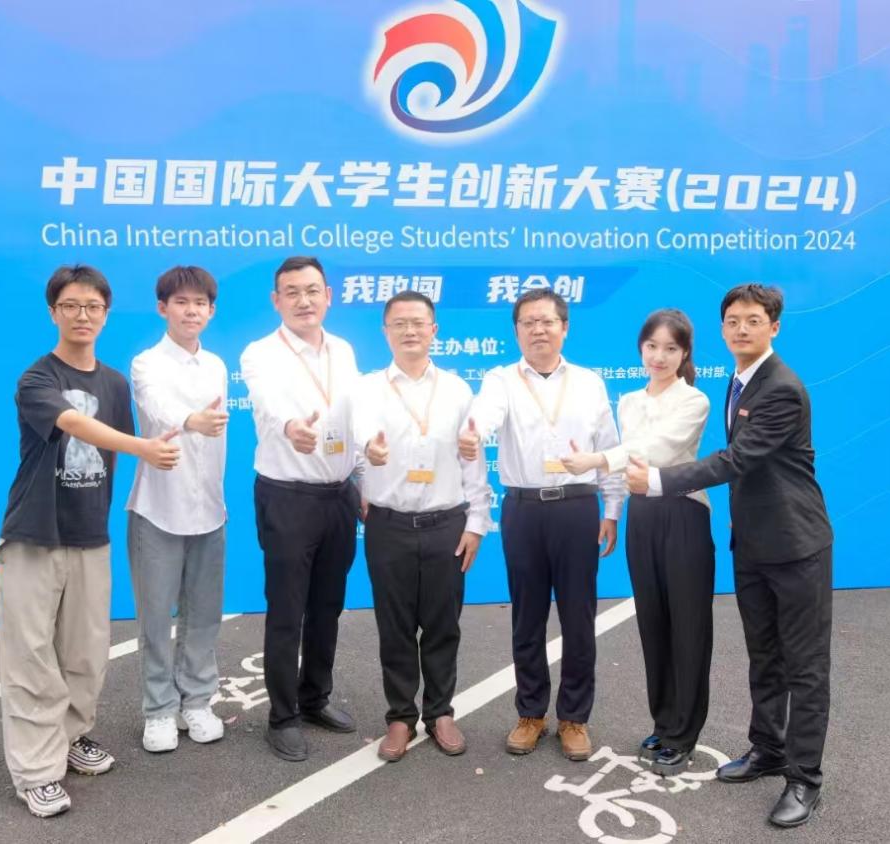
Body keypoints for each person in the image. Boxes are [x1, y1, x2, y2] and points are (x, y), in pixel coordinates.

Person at [627, 283, 833, 829]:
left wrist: (657, 481)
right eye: (733, 321)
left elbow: (736, 460)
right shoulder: (739, 380)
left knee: (805, 666)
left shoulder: (781, 387)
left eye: (753, 320)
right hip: (754, 545)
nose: (742, 329)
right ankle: (768, 749)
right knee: (764, 656)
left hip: (796, 546)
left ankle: (805, 779)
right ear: (722, 329)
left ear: (774, 327)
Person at [0, 265, 181, 818]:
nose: (82, 315)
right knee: (31, 657)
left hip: (89, 534)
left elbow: (114, 450)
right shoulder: (37, 378)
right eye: (71, 305)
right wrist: (143, 448)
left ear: (105, 313)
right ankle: (37, 772)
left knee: (85, 653)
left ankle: (71, 737)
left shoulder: (115, 384)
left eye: (93, 306)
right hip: (33, 534)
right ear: (53, 312)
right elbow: (77, 425)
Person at [459, 288, 624, 762]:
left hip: (577, 507)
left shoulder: (589, 382)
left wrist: (612, 509)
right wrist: (474, 432)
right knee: (527, 617)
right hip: (524, 509)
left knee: (579, 617)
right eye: (528, 322)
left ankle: (574, 718)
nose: (538, 330)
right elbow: (485, 415)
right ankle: (530, 713)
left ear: (564, 327)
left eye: (547, 321)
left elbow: (608, 446)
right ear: (517, 331)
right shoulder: (501, 379)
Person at [560, 309, 714, 777]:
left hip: (683, 512)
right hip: (642, 515)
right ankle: (663, 722)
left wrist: (596, 460)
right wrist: (616, 509)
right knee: (653, 623)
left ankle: (684, 734)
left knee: (688, 627)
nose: (659, 356)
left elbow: (659, 451)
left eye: (670, 348)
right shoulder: (628, 401)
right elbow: (633, 467)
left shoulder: (695, 400)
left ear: (684, 353)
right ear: (640, 349)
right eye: (652, 347)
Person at [354, 291, 493, 762]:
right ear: (386, 332)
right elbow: (358, 440)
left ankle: (440, 712)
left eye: (418, 322)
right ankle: (399, 716)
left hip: (445, 524)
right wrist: (368, 453)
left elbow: (472, 459)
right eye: (399, 323)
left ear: (434, 330)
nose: (409, 331)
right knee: (393, 626)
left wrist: (477, 522)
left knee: (442, 625)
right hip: (388, 525)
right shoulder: (367, 389)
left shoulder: (456, 390)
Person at [240, 256, 361, 762]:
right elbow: (268, 403)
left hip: (339, 494)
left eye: (312, 290)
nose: (303, 301)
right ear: (277, 301)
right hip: (287, 495)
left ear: (328, 296)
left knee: (328, 606)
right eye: (292, 292)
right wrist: (292, 426)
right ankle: (282, 716)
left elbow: (355, 418)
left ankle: (315, 697)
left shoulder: (344, 351)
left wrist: (363, 475)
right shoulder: (260, 353)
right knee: (288, 609)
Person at [126, 266, 229, 753]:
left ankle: (197, 701)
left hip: (209, 507)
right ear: (162, 307)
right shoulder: (146, 363)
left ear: (211, 310)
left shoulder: (216, 366)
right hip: (158, 508)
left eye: (200, 303)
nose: (192, 311)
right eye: (181, 302)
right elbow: (156, 406)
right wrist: (191, 420)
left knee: (204, 615)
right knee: (155, 618)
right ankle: (159, 710)